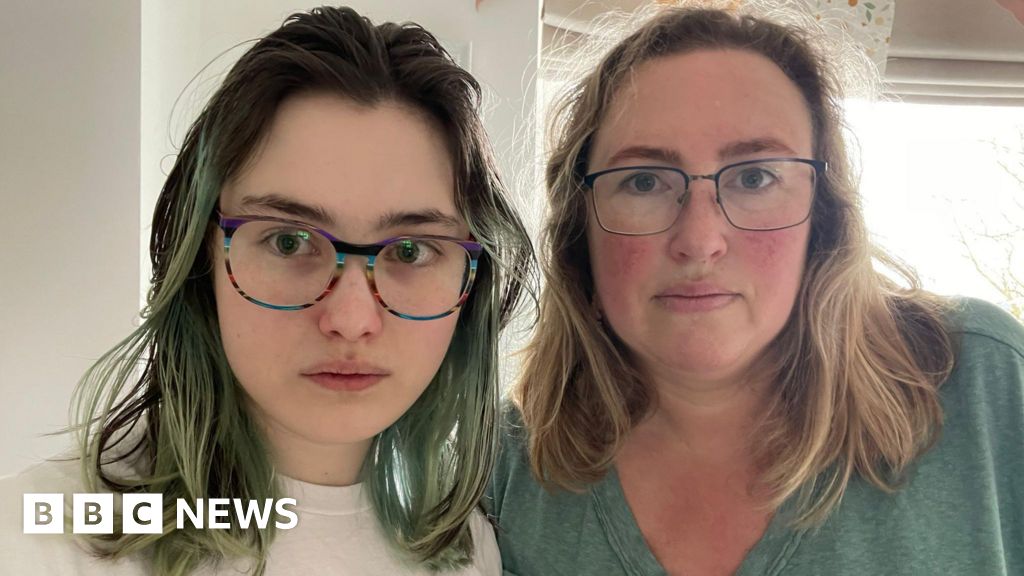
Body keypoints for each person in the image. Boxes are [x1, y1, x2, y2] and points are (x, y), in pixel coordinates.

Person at [486, 5, 1024, 576]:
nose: (699, 241)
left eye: (755, 177)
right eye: (643, 182)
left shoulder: (980, 384)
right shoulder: (502, 473)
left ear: (824, 216)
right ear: (579, 232)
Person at [0, 6, 534, 575]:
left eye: (410, 251)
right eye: (288, 242)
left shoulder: (465, 547)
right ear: (201, 257)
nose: (351, 319)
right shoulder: (48, 536)